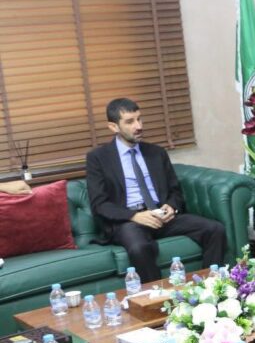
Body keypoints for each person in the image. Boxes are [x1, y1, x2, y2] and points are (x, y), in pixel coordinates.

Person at [86, 98, 227, 283]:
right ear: (114, 127)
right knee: (139, 248)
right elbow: (100, 204)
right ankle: (158, 296)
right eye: (130, 122)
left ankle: (210, 286)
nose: (138, 126)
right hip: (128, 221)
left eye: (139, 119)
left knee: (214, 229)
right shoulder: (98, 158)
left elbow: (175, 190)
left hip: (161, 216)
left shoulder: (156, 153)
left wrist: (171, 206)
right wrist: (134, 216)